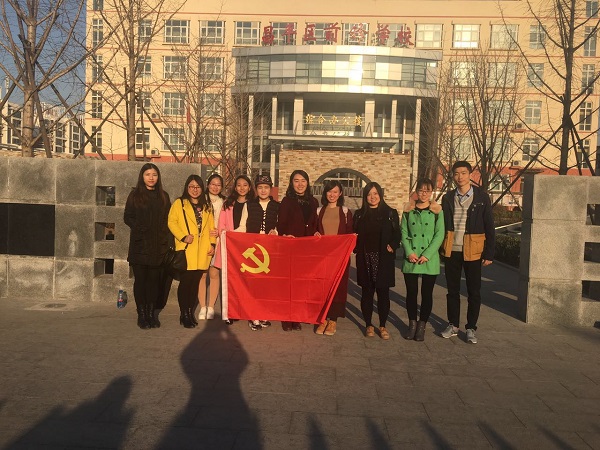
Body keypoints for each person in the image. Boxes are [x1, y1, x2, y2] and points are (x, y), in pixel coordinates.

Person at [440, 161, 495, 344]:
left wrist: (489, 253)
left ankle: (471, 327)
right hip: (452, 248)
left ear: (470, 174)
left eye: (463, 173)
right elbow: (442, 223)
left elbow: (489, 225)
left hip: (474, 250)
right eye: (456, 173)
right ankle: (453, 325)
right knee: (452, 290)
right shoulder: (448, 197)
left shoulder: (481, 197)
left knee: (474, 291)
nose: (460, 177)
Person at [124, 163, 171, 330]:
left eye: (154, 175)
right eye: (148, 174)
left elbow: (168, 219)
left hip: (158, 246)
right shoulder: (135, 195)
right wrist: (140, 228)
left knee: (154, 282)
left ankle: (151, 314)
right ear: (142, 176)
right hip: (140, 246)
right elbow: (127, 217)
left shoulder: (163, 196)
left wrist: (163, 236)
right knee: (141, 282)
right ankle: (142, 314)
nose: (151, 178)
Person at [353, 182, 400, 340]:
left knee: (383, 293)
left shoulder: (390, 213)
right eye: (369, 194)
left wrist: (393, 245)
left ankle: (383, 325)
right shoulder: (359, 215)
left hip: (383, 259)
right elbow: (353, 234)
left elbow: (397, 234)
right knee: (367, 293)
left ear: (380, 194)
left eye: (375, 193)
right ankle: (368, 324)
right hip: (365, 258)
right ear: (365, 197)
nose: (372, 197)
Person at [168, 175, 216, 328]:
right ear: (187, 187)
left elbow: (211, 227)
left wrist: (213, 244)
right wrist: (183, 236)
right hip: (187, 249)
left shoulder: (207, 206)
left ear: (202, 188)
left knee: (195, 284)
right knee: (186, 283)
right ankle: (184, 314)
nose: (195, 190)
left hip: (202, 251)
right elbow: (171, 222)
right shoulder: (180, 203)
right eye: (191, 186)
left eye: (198, 187)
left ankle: (190, 311)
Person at [401, 178, 444, 342]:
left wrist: (427, 254)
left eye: (427, 191)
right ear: (416, 191)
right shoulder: (408, 210)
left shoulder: (437, 211)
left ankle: (422, 325)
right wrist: (409, 252)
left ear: (431, 192)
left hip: (429, 258)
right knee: (411, 293)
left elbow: (439, 234)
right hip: (411, 257)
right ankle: (412, 324)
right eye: (421, 190)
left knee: (427, 293)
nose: (424, 194)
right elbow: (403, 232)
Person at [277, 169, 319, 331]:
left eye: (303, 181)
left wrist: (316, 232)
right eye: (296, 181)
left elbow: (315, 223)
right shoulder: (287, 201)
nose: (300, 184)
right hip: (291, 247)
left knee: (302, 284)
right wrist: (285, 234)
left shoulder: (313, 202)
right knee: (290, 283)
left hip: (307, 248)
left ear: (307, 183)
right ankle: (287, 317)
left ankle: (297, 316)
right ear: (291, 183)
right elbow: (281, 224)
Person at [238, 174, 280, 330]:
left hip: (270, 249)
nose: (263, 190)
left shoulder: (277, 206)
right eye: (260, 187)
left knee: (266, 284)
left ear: (270, 189)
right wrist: (228, 233)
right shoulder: (249, 205)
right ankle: (253, 315)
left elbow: (279, 225)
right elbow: (243, 226)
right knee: (253, 283)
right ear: (256, 189)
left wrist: (276, 231)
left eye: (266, 187)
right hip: (253, 248)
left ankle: (263, 313)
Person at [314, 180, 354, 336]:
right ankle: (323, 318)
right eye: (329, 191)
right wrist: (315, 234)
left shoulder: (345, 212)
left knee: (338, 287)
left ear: (340, 194)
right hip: (323, 256)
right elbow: (314, 230)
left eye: (335, 191)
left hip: (340, 257)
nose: (332, 194)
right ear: (325, 193)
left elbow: (350, 233)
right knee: (323, 286)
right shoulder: (319, 211)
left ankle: (333, 319)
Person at [215, 174, 255, 325]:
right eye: (239, 185)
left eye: (245, 185)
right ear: (235, 187)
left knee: (246, 282)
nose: (242, 188)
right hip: (231, 248)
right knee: (231, 281)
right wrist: (227, 236)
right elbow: (221, 225)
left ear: (249, 187)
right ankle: (231, 312)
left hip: (248, 249)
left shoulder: (253, 203)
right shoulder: (228, 204)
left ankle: (246, 310)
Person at [197, 174, 225, 321]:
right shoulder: (200, 200)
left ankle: (211, 307)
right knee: (202, 274)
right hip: (202, 242)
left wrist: (219, 231)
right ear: (208, 185)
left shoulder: (224, 202)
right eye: (213, 184)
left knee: (214, 274)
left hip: (218, 241)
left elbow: (225, 222)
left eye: (218, 185)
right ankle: (202, 306)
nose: (215, 187)